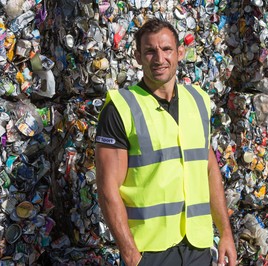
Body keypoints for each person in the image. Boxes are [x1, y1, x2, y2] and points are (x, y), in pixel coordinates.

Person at [95, 18, 237, 266]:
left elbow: (209, 168)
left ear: (180, 53)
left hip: (197, 246)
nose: (159, 59)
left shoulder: (199, 100)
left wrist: (225, 233)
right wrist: (130, 254)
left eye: (166, 49)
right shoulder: (121, 107)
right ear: (138, 57)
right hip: (149, 251)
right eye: (150, 51)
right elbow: (108, 189)